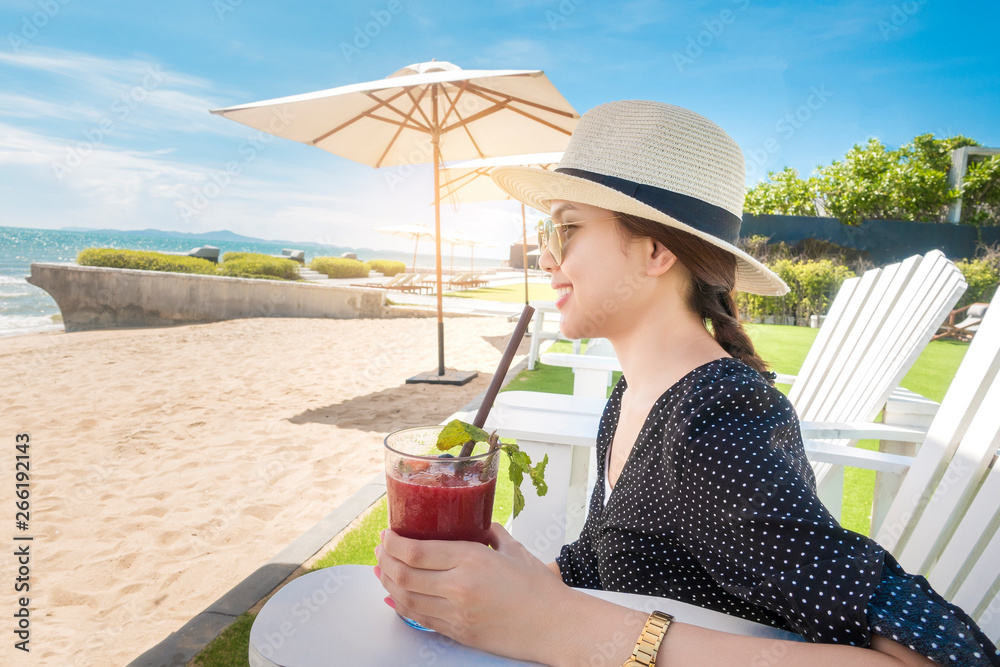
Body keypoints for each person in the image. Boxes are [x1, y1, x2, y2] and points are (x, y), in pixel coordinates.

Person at [375, 100, 1000, 666]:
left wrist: (559, 625)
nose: (544, 256)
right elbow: (607, 562)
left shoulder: (713, 423)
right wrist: (506, 587)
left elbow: (951, 657)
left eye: (564, 228)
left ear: (653, 253)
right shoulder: (632, 398)